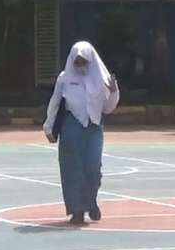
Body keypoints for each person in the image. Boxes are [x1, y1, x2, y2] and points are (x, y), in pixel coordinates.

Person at [43, 41, 120, 226]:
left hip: (94, 127)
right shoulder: (64, 79)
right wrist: (48, 126)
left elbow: (108, 108)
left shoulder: (102, 78)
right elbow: (55, 102)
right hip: (72, 126)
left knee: (93, 169)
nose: (80, 65)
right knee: (72, 169)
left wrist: (114, 92)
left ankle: (91, 202)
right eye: (77, 62)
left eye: (84, 61)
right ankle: (77, 210)